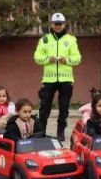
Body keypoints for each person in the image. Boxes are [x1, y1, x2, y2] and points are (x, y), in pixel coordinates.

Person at [34, 12, 82, 141]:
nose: (58, 26)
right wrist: (47, 59)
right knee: (44, 107)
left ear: (64, 24)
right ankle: (41, 131)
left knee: (64, 107)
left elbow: (77, 59)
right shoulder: (44, 40)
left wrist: (66, 60)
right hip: (49, 79)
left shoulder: (71, 40)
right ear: (51, 24)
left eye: (60, 24)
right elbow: (37, 58)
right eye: (55, 24)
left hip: (66, 79)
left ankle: (60, 132)